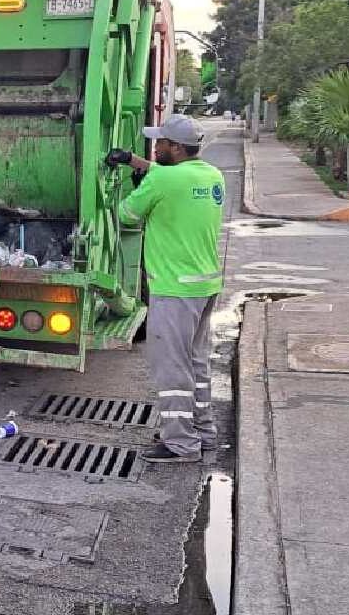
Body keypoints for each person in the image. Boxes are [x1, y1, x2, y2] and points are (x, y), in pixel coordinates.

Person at [106, 115, 225, 464]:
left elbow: (126, 215)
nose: (154, 147)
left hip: (174, 290)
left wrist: (130, 181)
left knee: (171, 369)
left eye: (160, 143)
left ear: (174, 147)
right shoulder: (210, 175)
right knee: (196, 363)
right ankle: (203, 433)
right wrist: (131, 160)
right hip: (204, 285)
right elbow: (166, 176)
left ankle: (180, 444)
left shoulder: (164, 181)